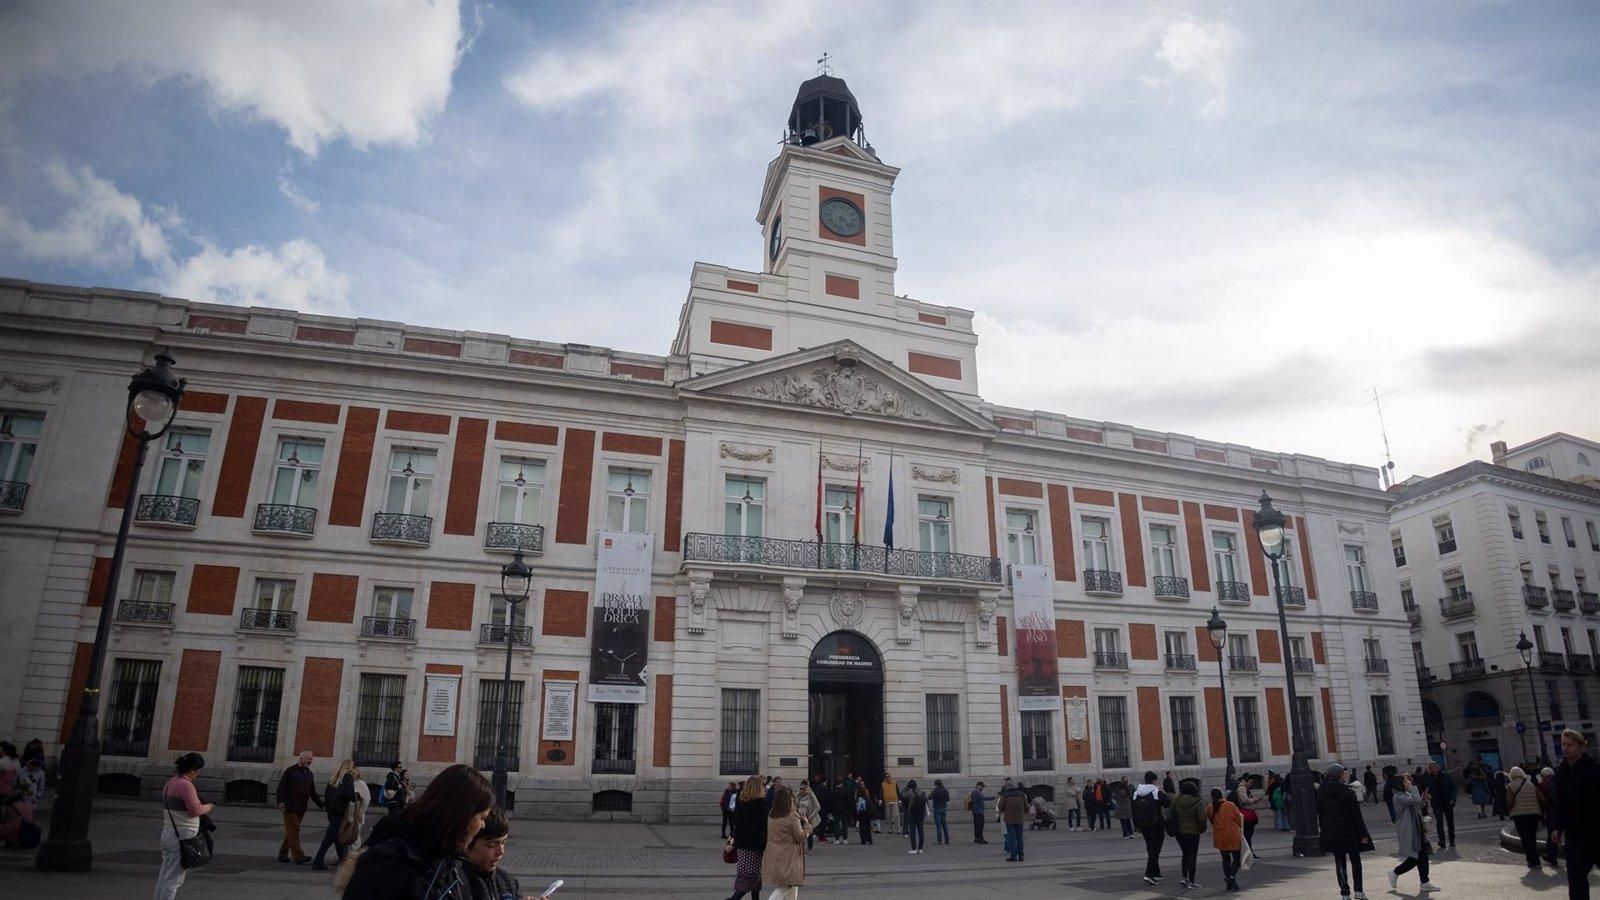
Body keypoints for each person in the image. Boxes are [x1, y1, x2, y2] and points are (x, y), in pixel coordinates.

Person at [337, 763, 494, 900]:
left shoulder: (451, 864)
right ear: (462, 815)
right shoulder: (388, 862)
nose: (483, 826)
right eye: (482, 817)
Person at [156, 752, 214, 900]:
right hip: (182, 836)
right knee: (173, 880)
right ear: (192, 770)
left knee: (164, 875)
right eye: (197, 771)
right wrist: (209, 806)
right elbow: (195, 810)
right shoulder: (185, 785)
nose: (197, 774)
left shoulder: (170, 783)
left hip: (168, 832)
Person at [1553, 729, 1600, 898]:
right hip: (1574, 837)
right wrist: (1557, 828)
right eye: (1563, 744)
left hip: (1596, 833)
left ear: (1580, 747)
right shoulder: (1560, 774)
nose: (1565, 748)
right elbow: (1560, 805)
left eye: (1570, 745)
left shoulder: (1594, 770)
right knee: (1576, 882)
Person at [1318, 763, 1373, 900]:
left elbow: (1320, 813)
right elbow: (1356, 815)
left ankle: (1344, 893)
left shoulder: (1321, 792)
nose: (1345, 776)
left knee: (1340, 862)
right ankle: (1359, 891)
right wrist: (1363, 834)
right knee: (1355, 861)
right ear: (1339, 775)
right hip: (1350, 832)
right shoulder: (1348, 792)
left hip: (1332, 832)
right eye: (1344, 773)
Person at [1387, 773, 1439, 893]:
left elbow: (1417, 805)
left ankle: (1425, 882)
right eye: (1406, 781)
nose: (1409, 782)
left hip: (1417, 828)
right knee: (1415, 857)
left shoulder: (1406, 794)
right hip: (1409, 830)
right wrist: (1412, 788)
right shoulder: (1398, 797)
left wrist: (1424, 800)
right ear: (1401, 783)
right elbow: (1414, 800)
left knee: (1423, 856)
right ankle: (1395, 872)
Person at [462, 806, 522, 900]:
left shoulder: (507, 881)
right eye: (492, 845)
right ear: (468, 844)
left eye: (503, 843)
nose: (501, 852)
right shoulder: (456, 884)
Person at [726, 775, 770, 899]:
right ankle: (733, 898)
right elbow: (763, 824)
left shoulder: (741, 802)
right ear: (758, 787)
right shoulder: (761, 803)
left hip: (741, 843)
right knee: (752, 876)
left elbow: (736, 823)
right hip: (755, 844)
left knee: (746, 874)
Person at [760, 785, 808, 900]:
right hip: (789, 855)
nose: (793, 800)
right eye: (791, 798)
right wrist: (807, 826)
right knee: (787, 884)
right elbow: (799, 837)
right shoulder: (792, 815)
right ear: (788, 800)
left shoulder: (772, 814)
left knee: (792, 883)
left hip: (774, 852)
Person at [276, 749, 323, 864]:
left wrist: (321, 804)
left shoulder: (309, 774)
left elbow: (312, 792)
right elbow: (282, 786)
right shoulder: (291, 771)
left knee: (291, 832)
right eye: (307, 759)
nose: (310, 761)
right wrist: (280, 801)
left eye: (311, 759)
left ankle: (282, 854)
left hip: (301, 808)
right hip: (289, 807)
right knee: (294, 831)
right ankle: (299, 856)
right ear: (301, 758)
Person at [313, 759, 359, 870]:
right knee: (329, 839)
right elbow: (350, 796)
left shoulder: (333, 778)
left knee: (338, 837)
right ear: (349, 768)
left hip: (331, 811)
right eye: (353, 767)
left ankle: (343, 862)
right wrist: (356, 795)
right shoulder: (348, 778)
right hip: (339, 812)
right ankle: (317, 862)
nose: (354, 769)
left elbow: (327, 794)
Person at [1132, 771, 1171, 885]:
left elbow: (1133, 809)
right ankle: (1149, 874)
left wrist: (1136, 824)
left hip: (1143, 824)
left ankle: (1156, 873)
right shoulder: (1156, 792)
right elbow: (1168, 803)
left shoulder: (1136, 793)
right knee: (1155, 849)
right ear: (1154, 780)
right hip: (1156, 823)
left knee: (1150, 847)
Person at [1506, 766, 1546, 869]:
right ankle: (1533, 860)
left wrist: (1511, 809)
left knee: (1525, 839)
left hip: (1519, 815)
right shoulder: (1530, 784)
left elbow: (1510, 801)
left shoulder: (1510, 786)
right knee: (1532, 837)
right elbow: (1542, 798)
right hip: (1533, 814)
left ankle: (1534, 861)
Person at [1170, 779, 1208, 889]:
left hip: (1179, 832)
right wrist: (1202, 829)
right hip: (1193, 832)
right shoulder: (1197, 801)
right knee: (1192, 855)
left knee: (1185, 854)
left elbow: (1169, 815)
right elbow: (1202, 818)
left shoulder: (1176, 801)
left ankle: (1184, 877)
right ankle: (1192, 881)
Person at [1207, 788, 1244, 892]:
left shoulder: (1210, 807)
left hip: (1219, 837)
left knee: (1225, 859)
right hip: (1232, 835)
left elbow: (1212, 821)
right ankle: (1231, 877)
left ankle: (1229, 882)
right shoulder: (1230, 805)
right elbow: (1239, 819)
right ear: (1221, 795)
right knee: (1237, 859)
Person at [1424, 761, 1457, 848]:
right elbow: (1426, 790)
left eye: (1434, 767)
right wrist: (1427, 796)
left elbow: (1453, 788)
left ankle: (1452, 839)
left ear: (1438, 767)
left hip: (1447, 802)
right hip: (1436, 803)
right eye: (1430, 768)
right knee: (1439, 822)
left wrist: (1453, 799)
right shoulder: (1428, 778)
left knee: (1450, 822)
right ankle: (1442, 840)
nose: (1433, 769)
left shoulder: (1446, 776)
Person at [998, 780, 1028, 862]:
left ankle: (1013, 856)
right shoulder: (1021, 795)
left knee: (1012, 838)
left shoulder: (1005, 795)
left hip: (1010, 820)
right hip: (1020, 819)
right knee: (1020, 837)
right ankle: (1021, 855)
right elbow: (1026, 806)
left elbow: (1000, 807)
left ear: (1007, 787)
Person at [1539, 766, 1563, 868]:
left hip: (1551, 813)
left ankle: (1552, 857)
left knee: (1552, 835)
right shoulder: (1559, 781)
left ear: (1543, 775)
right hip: (1563, 811)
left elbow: (1541, 802)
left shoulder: (1542, 785)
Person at [1238, 774, 1266, 854]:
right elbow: (1245, 800)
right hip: (1246, 814)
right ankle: (1248, 853)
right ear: (1245, 781)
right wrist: (1253, 800)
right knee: (1247, 835)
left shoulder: (1244, 788)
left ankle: (1249, 852)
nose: (1251, 784)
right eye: (1250, 782)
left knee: (1248, 835)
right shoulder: (1242, 788)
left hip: (1246, 813)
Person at [794, 779, 821, 851]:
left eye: (803, 788)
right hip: (799, 816)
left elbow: (818, 806)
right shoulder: (797, 795)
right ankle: (800, 848)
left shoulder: (811, 795)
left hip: (808, 816)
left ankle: (810, 848)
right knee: (799, 832)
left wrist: (811, 816)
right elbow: (794, 804)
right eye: (800, 788)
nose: (802, 790)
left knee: (809, 832)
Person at [903, 780, 928, 854]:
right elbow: (927, 802)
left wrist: (906, 788)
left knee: (913, 832)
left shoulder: (910, 793)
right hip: (921, 814)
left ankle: (914, 849)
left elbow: (903, 795)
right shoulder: (922, 792)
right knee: (921, 831)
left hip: (912, 814)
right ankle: (920, 849)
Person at [928, 779, 950, 845]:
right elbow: (947, 799)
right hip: (944, 808)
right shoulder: (945, 790)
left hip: (937, 808)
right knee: (944, 825)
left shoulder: (935, 790)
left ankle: (939, 840)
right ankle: (947, 840)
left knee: (938, 825)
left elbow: (929, 797)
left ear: (936, 784)